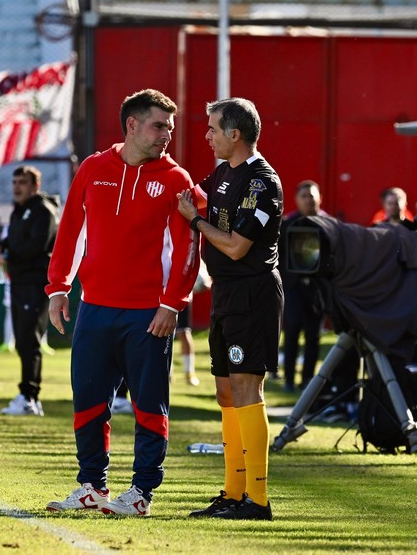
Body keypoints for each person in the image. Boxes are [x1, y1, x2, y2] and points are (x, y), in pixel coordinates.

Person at [44, 89, 198, 517]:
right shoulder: (93, 169)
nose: (167, 134)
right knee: (88, 401)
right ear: (132, 125)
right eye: (158, 125)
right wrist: (58, 289)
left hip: (149, 314)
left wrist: (172, 304)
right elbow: (71, 231)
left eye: (169, 126)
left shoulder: (176, 180)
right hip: (94, 308)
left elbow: (187, 249)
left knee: (150, 404)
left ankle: (142, 492)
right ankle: (92, 485)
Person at [177, 97, 283, 521]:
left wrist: (195, 222)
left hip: (252, 294)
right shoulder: (223, 172)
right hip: (225, 295)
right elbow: (190, 193)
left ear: (234, 134)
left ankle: (257, 501)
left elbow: (238, 247)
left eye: (213, 129)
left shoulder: (262, 182)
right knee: (225, 394)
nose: (207, 136)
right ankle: (233, 492)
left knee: (245, 390)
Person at [0, 165, 59, 417]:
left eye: (23, 182)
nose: (17, 187)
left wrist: (5, 255)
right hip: (19, 282)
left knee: (29, 341)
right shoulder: (20, 211)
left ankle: (30, 397)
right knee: (21, 340)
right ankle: (27, 395)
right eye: (15, 182)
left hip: (35, 283)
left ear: (35, 186)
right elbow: (11, 240)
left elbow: (34, 247)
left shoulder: (43, 211)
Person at [279, 180, 326, 392]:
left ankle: (308, 380)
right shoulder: (287, 224)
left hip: (317, 290)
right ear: (297, 200)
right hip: (293, 289)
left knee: (313, 336)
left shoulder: (329, 224)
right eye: (304, 196)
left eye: (312, 195)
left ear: (319, 198)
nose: (309, 199)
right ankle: (289, 379)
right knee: (291, 333)